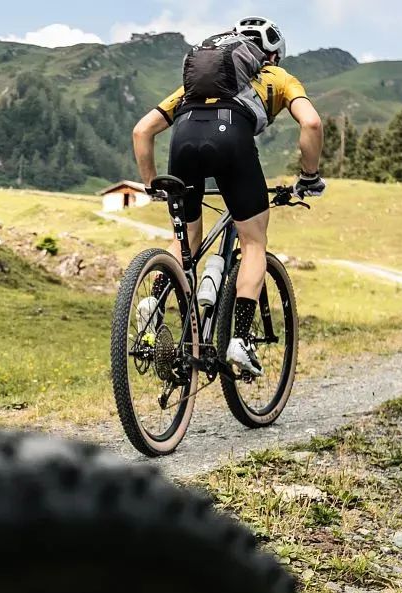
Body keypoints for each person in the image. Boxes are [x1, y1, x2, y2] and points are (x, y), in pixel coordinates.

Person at [131, 16, 325, 377]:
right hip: (231, 140)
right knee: (253, 244)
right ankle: (239, 341)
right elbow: (312, 123)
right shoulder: (278, 77)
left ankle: (154, 300)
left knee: (185, 238)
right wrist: (309, 177)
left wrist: (152, 185)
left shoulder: (196, 86)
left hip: (183, 139)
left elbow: (142, 130)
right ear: (272, 56)